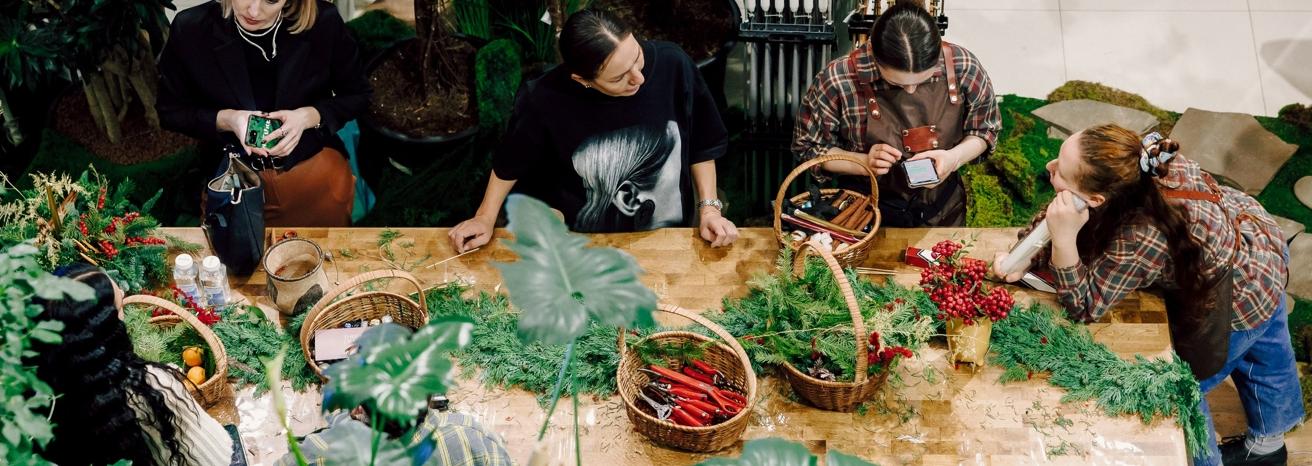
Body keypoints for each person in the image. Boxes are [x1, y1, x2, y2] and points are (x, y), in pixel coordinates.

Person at [992, 124, 1302, 466]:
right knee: (1269, 353)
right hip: (1258, 242)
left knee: (1182, 390)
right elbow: (1064, 212)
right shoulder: (1137, 160)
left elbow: (1085, 305)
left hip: (1239, 297)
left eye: (1060, 172)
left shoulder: (1139, 238)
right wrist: (1026, 254)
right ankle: (1268, 446)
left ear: (1095, 200)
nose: (1049, 167)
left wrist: (1063, 240)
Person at [449, 8, 738, 251]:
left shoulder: (674, 64)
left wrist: (709, 209)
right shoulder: (545, 97)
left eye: (637, 57)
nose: (637, 78)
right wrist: (485, 218)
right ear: (583, 80)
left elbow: (702, 144)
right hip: (579, 242)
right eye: (619, 77)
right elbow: (510, 163)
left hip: (668, 238)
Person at [158, 0, 371, 226]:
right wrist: (229, 119)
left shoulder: (323, 21)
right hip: (234, 180)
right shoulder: (191, 29)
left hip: (313, 174)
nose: (254, 11)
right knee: (236, 256)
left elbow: (358, 95)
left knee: (326, 252)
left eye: (271, 0)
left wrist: (307, 117)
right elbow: (170, 111)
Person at [792, 1, 1000, 227]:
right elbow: (809, 148)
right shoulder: (839, 79)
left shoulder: (963, 66)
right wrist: (863, 162)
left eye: (921, 81)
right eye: (896, 83)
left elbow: (984, 130)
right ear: (874, 56)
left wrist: (953, 158)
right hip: (863, 213)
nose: (910, 90)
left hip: (942, 210)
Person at [30, 263, 235, 465]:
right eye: (120, 306)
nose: (122, 292)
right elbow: (213, 456)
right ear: (104, 331)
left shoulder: (36, 393)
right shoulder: (148, 387)